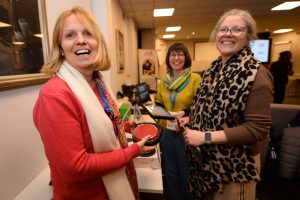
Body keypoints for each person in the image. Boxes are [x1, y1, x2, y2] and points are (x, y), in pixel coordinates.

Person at [33, 6, 155, 200]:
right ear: (61, 47)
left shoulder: (98, 83)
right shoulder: (55, 95)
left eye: (88, 33)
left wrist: (124, 127)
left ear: (97, 42)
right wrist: (132, 151)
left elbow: (96, 127)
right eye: (70, 35)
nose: (81, 40)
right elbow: (75, 168)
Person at [182, 9, 273, 199]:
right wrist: (192, 118)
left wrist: (205, 136)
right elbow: (213, 110)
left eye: (237, 29)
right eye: (223, 29)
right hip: (207, 164)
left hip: (235, 167)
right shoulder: (213, 69)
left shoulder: (256, 74)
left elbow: (257, 129)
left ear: (248, 36)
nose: (228, 34)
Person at [155, 43, 201, 200]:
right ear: (168, 59)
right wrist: (159, 112)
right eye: (173, 55)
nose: (176, 58)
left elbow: (201, 106)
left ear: (185, 57)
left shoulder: (195, 79)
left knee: (186, 171)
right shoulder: (163, 81)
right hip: (167, 132)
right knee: (170, 172)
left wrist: (185, 114)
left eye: (180, 54)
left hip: (187, 132)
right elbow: (159, 103)